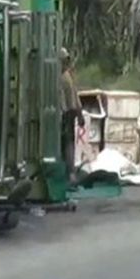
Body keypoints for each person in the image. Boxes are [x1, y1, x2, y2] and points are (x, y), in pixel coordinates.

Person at [59, 48, 85, 184]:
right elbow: (76, 98)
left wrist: (79, 115)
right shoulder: (66, 76)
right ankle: (70, 173)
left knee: (66, 145)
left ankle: (69, 174)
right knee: (67, 145)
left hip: (66, 114)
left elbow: (73, 99)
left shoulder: (63, 78)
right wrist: (80, 116)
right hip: (68, 113)